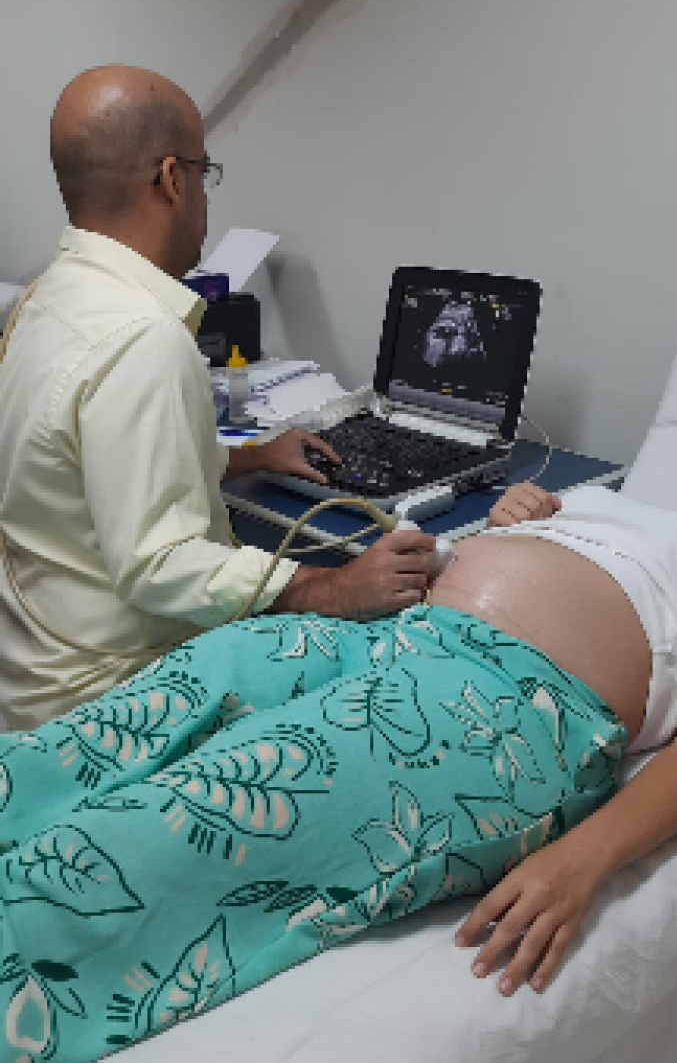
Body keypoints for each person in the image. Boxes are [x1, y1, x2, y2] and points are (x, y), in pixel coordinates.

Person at [3, 448, 677, 1063]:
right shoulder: (599, 503)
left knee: (203, 808)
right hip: (392, 634)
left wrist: (582, 861)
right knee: (151, 706)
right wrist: (513, 523)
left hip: (502, 707)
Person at [0, 66, 435, 731]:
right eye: (205, 173)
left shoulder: (45, 299)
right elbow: (160, 564)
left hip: (32, 670)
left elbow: (82, 459)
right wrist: (331, 588)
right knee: (392, 681)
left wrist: (246, 456)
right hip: (107, 700)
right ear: (172, 180)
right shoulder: (142, 338)